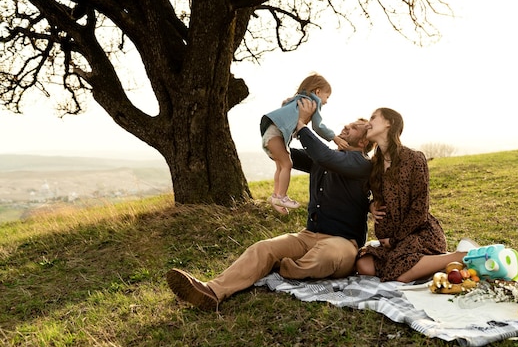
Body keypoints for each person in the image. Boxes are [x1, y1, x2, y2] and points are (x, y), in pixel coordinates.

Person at [166, 98, 373, 311]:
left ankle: (278, 268)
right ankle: (211, 291)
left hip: (343, 243)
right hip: (308, 237)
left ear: (364, 142)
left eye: (355, 127)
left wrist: (302, 125)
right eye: (349, 124)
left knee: (326, 256)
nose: (347, 126)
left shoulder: (362, 164)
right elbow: (283, 153)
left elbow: (324, 155)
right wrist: (288, 117)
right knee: (263, 248)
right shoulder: (323, 159)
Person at [355, 107, 478, 283]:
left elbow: (420, 209)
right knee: (364, 265)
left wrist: (395, 239)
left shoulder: (413, 158)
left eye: (373, 118)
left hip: (418, 233)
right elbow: (364, 196)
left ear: (389, 123)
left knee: (400, 274)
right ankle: (431, 265)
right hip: (390, 241)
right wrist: (371, 205)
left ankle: (463, 256)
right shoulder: (374, 164)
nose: (368, 123)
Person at [260, 73, 349, 214]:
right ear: (318, 92)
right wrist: (334, 138)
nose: (326, 101)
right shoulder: (313, 102)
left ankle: (276, 197)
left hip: (269, 133)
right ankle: (282, 197)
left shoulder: (297, 99)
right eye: (327, 96)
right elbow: (318, 126)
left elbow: (285, 109)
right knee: (287, 164)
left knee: (280, 166)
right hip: (276, 135)